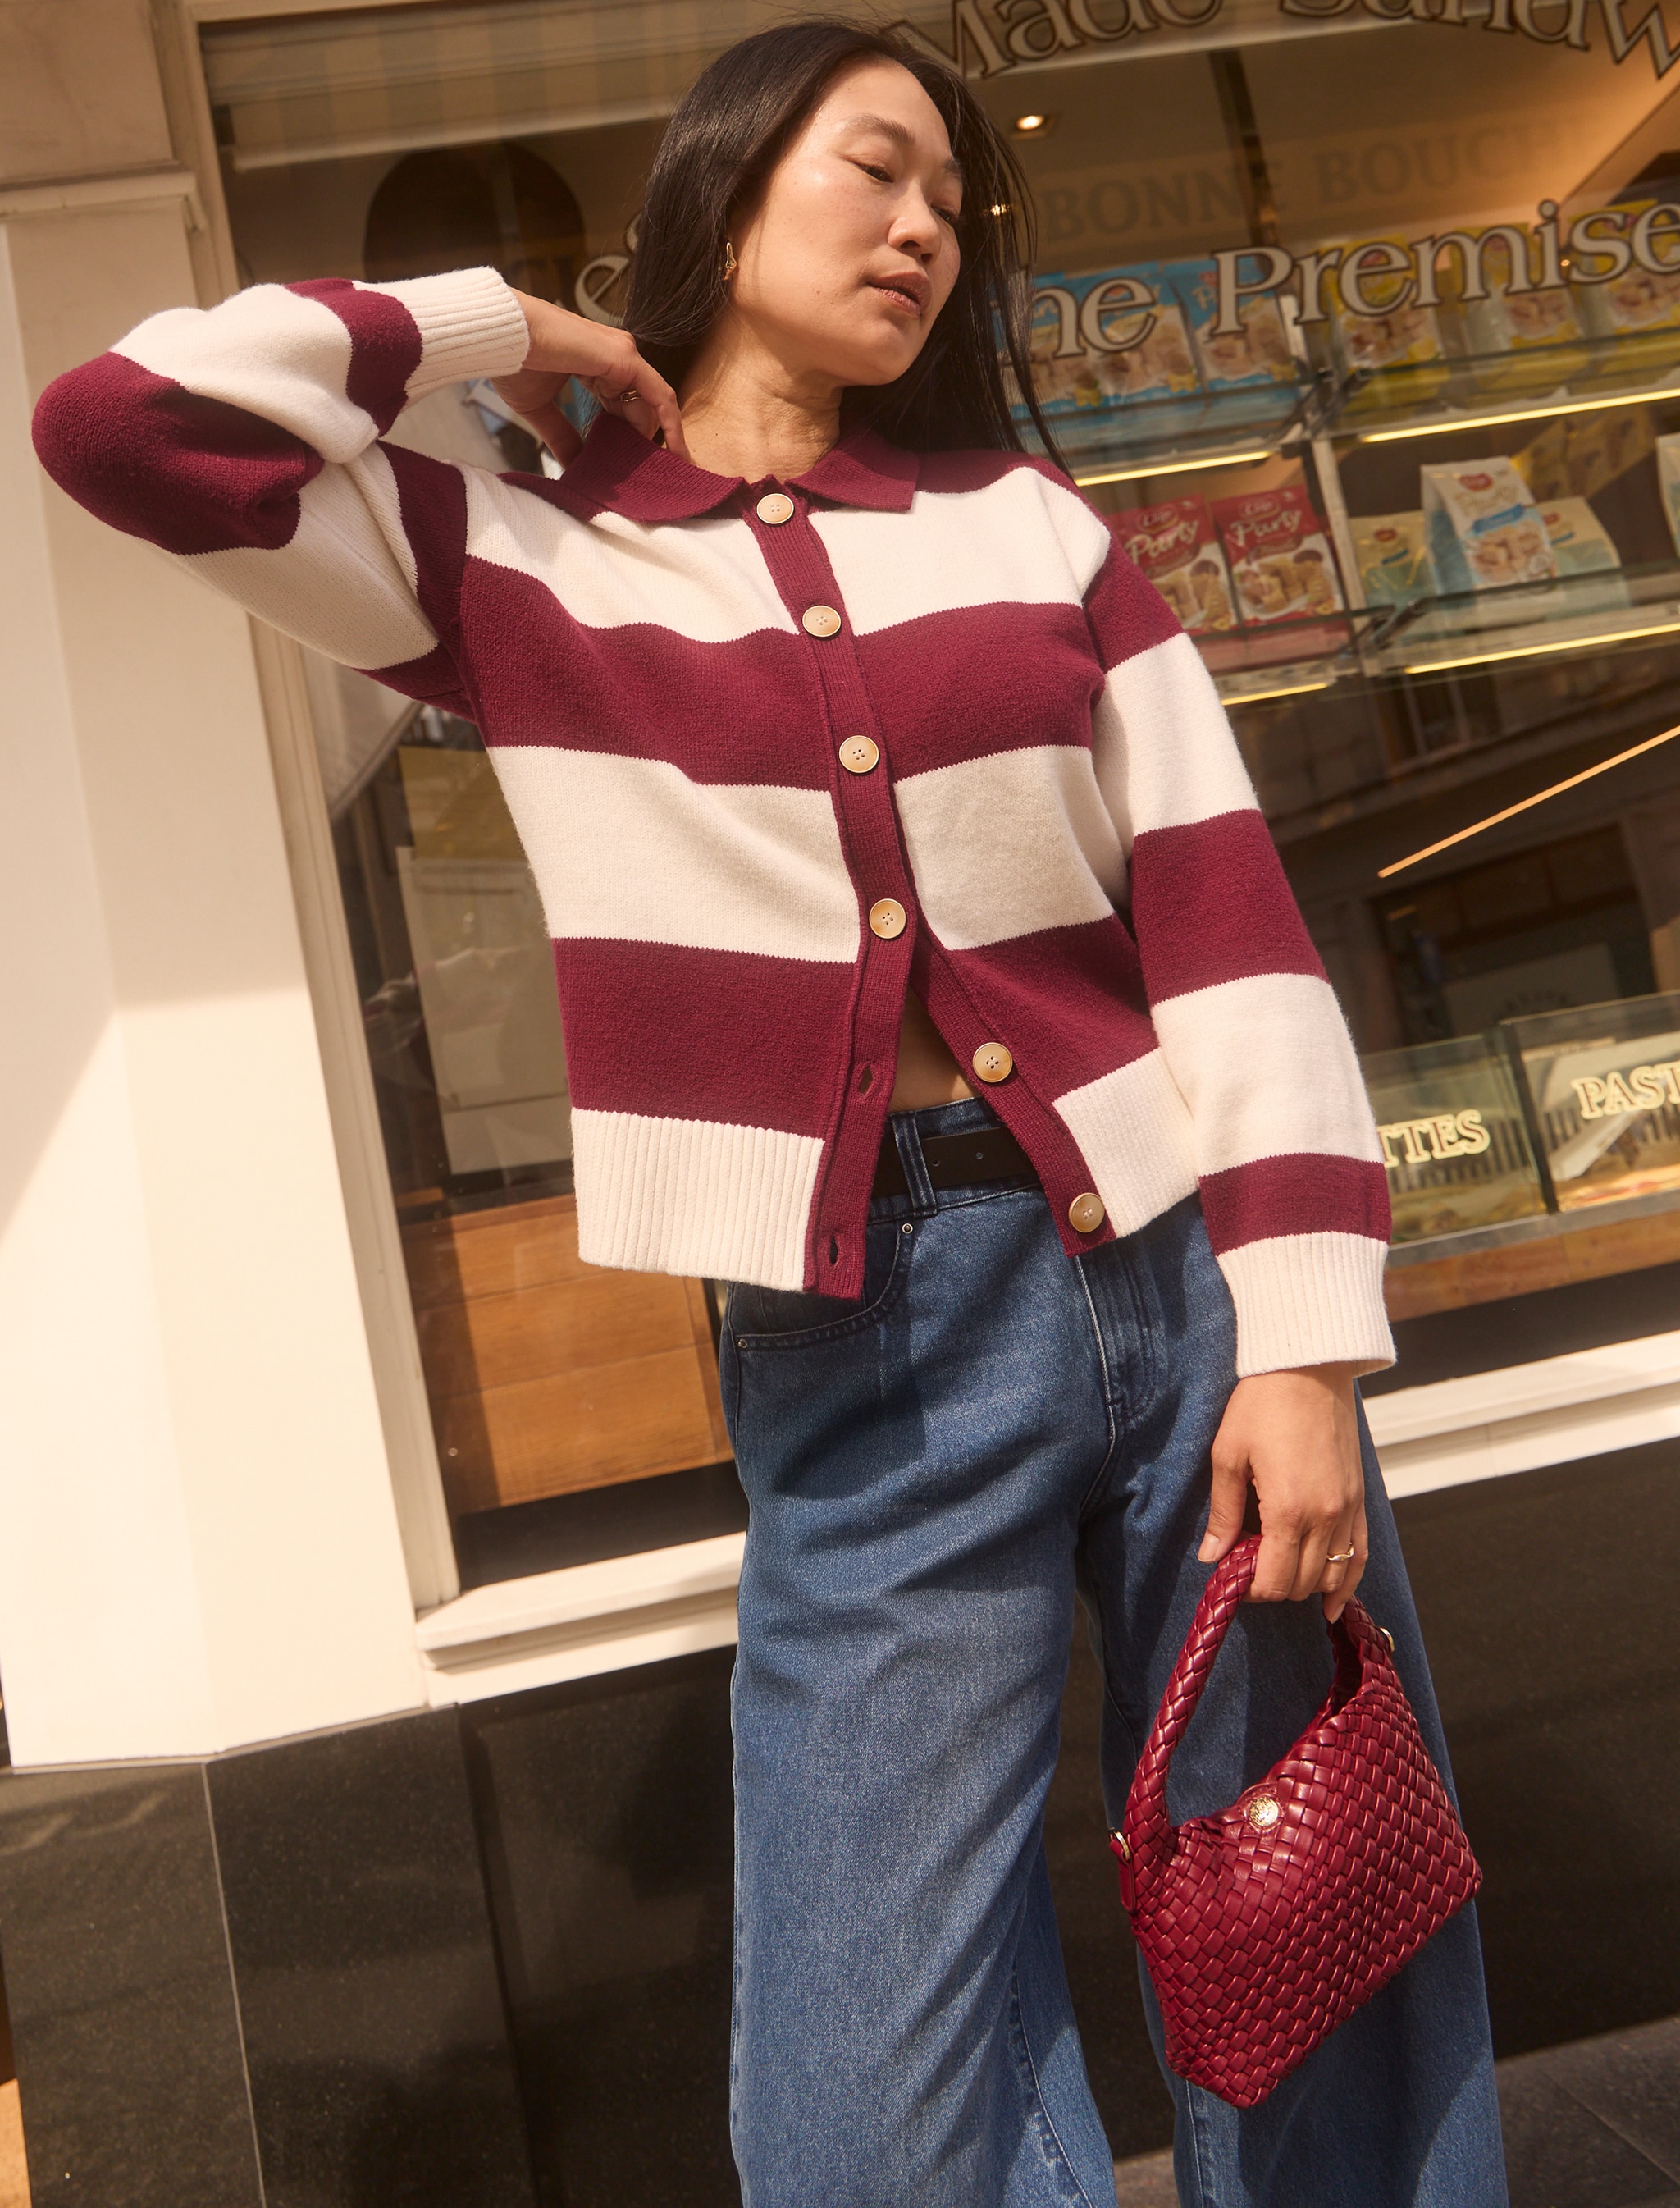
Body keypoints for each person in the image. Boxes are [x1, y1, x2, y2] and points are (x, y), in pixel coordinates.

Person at [32, 20, 1508, 2205]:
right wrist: (516, 326)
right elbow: (129, 420)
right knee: (869, 2071)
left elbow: (1226, 923)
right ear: (724, 188)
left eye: (952, 206)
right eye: (876, 170)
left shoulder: (1027, 525)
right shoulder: (524, 562)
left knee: (1304, 1904)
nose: (926, 227)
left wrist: (1298, 1344)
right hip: (875, 1327)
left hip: (1187, 1282)